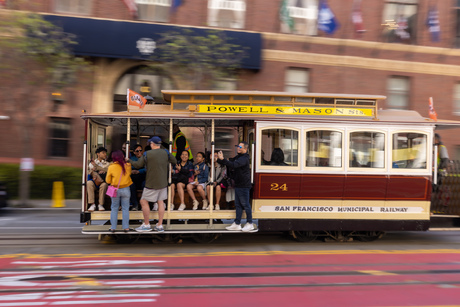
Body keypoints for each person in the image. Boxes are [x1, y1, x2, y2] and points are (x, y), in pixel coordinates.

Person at [129, 136, 176, 232]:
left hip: (151, 183)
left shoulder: (147, 154)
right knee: (160, 202)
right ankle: (159, 225)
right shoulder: (166, 152)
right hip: (163, 182)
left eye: (150, 143)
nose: (150, 145)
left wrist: (128, 161)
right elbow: (174, 161)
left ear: (153, 144)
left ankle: (146, 224)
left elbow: (138, 165)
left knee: (143, 201)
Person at [217, 141, 254, 232]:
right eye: (238, 146)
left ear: (245, 149)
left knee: (245, 204)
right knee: (238, 205)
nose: (238, 148)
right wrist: (220, 159)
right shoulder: (239, 157)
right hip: (238, 184)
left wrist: (223, 159)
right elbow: (230, 162)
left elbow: (234, 165)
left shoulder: (244, 158)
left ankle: (250, 223)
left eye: (240, 147)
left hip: (244, 185)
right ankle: (237, 223)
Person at [106, 150, 133, 232]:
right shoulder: (128, 165)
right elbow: (130, 174)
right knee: (125, 209)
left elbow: (107, 180)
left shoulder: (111, 167)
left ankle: (113, 227)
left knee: (114, 208)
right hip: (126, 189)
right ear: (123, 157)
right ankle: (126, 227)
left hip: (115, 190)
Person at [87, 147, 110, 212]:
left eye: (105, 153)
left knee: (104, 185)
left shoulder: (107, 164)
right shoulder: (92, 163)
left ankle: (101, 204)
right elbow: (89, 172)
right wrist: (93, 171)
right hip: (94, 181)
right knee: (89, 183)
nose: (105, 154)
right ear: (98, 154)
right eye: (103, 153)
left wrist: (100, 169)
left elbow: (108, 170)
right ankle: (92, 204)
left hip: (102, 181)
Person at [129, 144, 146, 210]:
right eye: (137, 151)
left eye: (140, 150)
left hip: (143, 178)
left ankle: (144, 205)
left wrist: (138, 171)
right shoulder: (132, 159)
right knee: (131, 185)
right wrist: (132, 171)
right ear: (134, 152)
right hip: (134, 179)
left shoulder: (145, 158)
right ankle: (135, 204)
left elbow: (148, 168)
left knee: (145, 185)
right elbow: (129, 167)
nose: (139, 152)